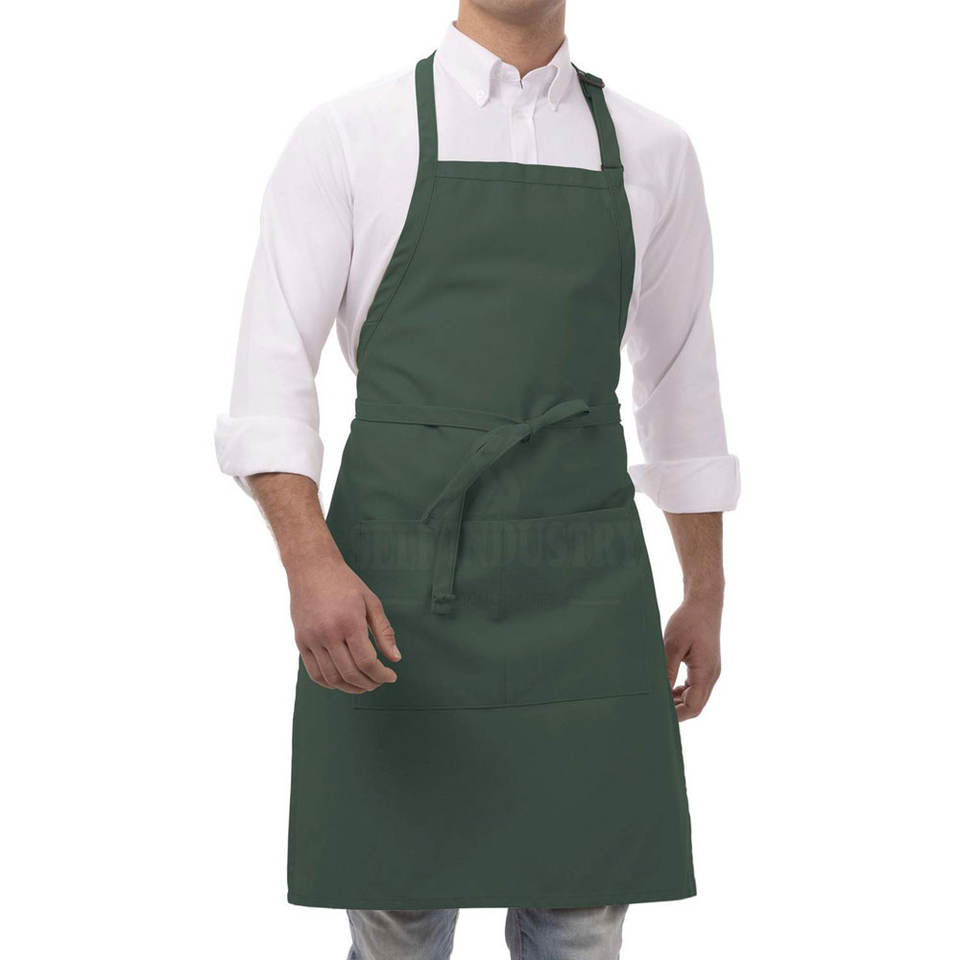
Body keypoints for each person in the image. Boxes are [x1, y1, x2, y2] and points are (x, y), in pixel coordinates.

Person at [215, 1, 739, 956]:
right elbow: (270, 381)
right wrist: (309, 563)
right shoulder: (348, 134)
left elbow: (681, 383)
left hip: (585, 584)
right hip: (397, 580)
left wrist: (704, 588)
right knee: (400, 913)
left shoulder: (655, 150)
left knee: (584, 913)